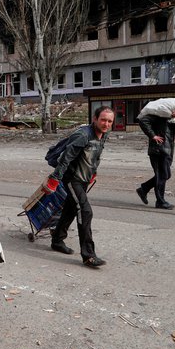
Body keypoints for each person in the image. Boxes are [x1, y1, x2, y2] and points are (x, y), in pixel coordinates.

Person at [43, 105, 114, 268]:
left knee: (70, 209)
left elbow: (95, 156)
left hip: (84, 179)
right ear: (95, 119)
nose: (106, 124)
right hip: (71, 178)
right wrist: (55, 179)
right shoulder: (82, 135)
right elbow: (65, 159)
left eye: (109, 121)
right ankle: (88, 255)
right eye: (103, 120)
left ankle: (57, 240)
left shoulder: (103, 134)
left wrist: (93, 173)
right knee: (85, 211)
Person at [136, 98, 175, 210]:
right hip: (157, 150)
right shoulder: (156, 116)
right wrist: (153, 136)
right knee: (162, 175)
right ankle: (160, 201)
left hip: (168, 150)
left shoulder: (171, 118)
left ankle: (144, 188)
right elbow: (142, 121)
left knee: (166, 175)